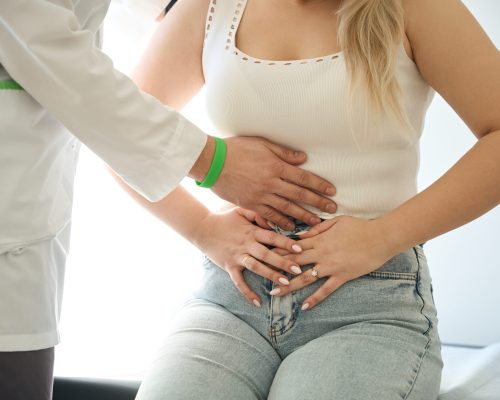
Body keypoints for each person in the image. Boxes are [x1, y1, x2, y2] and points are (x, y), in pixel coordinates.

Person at [108, 0, 498, 399]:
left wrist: (384, 236)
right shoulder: (210, 8)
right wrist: (202, 227)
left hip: (368, 307)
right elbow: (117, 130)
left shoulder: (415, 8)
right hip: (232, 301)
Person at [0, 1, 341, 399]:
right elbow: (42, 42)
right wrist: (210, 175)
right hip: (232, 297)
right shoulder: (209, 12)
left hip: (369, 298)